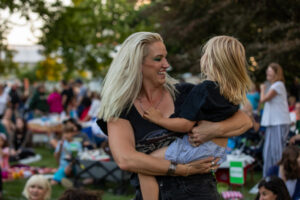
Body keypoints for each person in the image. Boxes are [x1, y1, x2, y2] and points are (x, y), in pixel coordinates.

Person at [97, 32, 252, 199]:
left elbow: (243, 120)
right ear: (136, 64)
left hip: (199, 193)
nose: (166, 64)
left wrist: (213, 130)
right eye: (158, 59)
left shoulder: (184, 92)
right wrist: (182, 170)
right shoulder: (120, 109)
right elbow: (126, 159)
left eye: (165, 57)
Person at [260, 63, 291, 177]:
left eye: (270, 71)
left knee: (278, 153)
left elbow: (263, 99)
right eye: (267, 71)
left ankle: (281, 178)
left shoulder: (278, 85)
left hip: (279, 123)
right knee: (268, 152)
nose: (267, 73)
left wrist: (262, 89)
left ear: (276, 73)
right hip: (273, 123)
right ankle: (269, 178)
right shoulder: (275, 86)